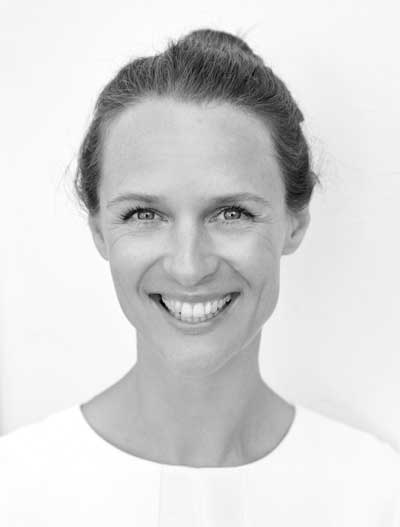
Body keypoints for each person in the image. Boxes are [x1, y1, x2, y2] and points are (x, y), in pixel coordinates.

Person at [1, 28, 399, 526]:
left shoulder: (376, 495)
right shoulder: (15, 489)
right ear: (100, 230)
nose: (188, 267)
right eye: (144, 214)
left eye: (231, 213)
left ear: (294, 223)